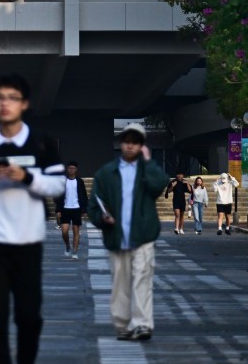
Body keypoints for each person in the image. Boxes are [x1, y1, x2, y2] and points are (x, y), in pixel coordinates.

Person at [0, 74, 66, 364]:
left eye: (12, 97)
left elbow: (58, 186)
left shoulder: (42, 143)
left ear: (25, 104)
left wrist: (27, 176)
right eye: (0, 98)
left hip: (28, 241)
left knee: (29, 315)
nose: (5, 104)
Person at [89, 123, 169, 341]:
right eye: (127, 141)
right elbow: (94, 206)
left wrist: (148, 161)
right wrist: (102, 219)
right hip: (116, 236)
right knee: (120, 284)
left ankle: (142, 324)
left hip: (143, 236)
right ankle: (122, 325)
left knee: (142, 280)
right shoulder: (106, 173)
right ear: (121, 143)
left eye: (135, 142)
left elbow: (159, 185)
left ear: (141, 145)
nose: (130, 146)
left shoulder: (147, 169)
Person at [54, 161, 88, 260]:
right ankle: (68, 246)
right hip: (65, 209)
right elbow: (58, 195)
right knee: (64, 231)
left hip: (76, 209)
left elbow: (84, 196)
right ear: (67, 169)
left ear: (76, 169)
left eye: (73, 168)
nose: (71, 170)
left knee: (76, 231)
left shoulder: (80, 181)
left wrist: (84, 209)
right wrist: (58, 210)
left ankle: (75, 252)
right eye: (70, 168)